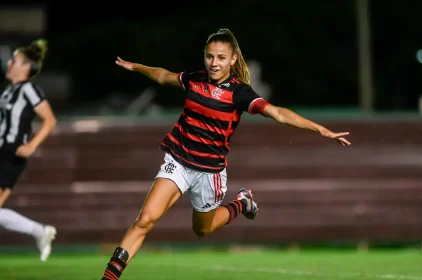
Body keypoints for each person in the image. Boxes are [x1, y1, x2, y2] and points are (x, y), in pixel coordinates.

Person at [100, 28, 351, 280]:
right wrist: (137, 67)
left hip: (209, 172)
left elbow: (277, 112)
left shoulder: (239, 92)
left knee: (202, 229)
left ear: (232, 60)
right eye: (210, 57)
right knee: (145, 220)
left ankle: (242, 203)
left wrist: (319, 129)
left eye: (221, 57)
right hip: (178, 161)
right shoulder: (194, 79)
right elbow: (163, 76)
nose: (214, 63)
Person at [0, 39, 57, 262]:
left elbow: (50, 120)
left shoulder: (28, 89)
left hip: (10, 155)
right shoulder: (7, 93)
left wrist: (32, 145)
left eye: (13, 60)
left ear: (24, 66)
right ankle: (39, 232)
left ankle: (39, 231)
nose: (9, 64)